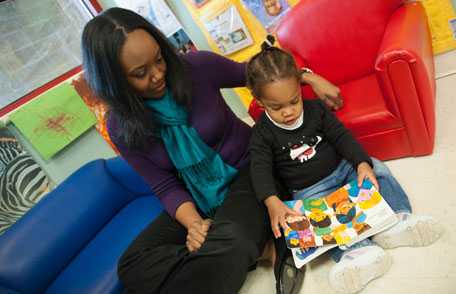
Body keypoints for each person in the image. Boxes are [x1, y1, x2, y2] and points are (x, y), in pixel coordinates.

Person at [81, 8, 343, 294]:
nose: (157, 75)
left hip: (251, 169)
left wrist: (307, 76)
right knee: (133, 265)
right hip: (195, 196)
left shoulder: (197, 67)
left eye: (158, 60)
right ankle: (260, 248)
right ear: (115, 80)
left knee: (233, 239)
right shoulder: (120, 126)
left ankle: (239, 249)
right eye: (140, 73)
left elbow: (261, 76)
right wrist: (195, 225)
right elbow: (164, 185)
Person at [246, 38, 444, 294]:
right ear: (260, 102)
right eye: (277, 107)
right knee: (318, 220)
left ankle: (397, 220)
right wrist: (271, 201)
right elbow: (259, 169)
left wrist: (361, 163)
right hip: (309, 189)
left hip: (342, 169)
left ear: (299, 87)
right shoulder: (261, 134)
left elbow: (342, 137)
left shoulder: (316, 110)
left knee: (378, 169)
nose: (288, 112)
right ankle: (356, 255)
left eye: (294, 101)